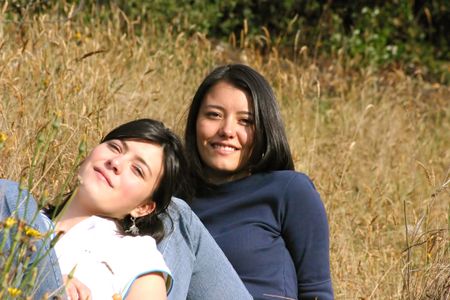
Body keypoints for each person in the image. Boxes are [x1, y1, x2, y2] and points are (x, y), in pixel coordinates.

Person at [0, 119, 252, 300]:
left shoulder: (135, 250)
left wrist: (51, 286)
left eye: (137, 170)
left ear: (144, 207)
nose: (116, 162)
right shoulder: (27, 219)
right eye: (115, 147)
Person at [184, 64, 334, 300]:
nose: (227, 130)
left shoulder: (288, 191)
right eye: (214, 115)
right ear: (195, 121)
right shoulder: (170, 199)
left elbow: (317, 292)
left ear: (265, 128)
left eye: (246, 121)